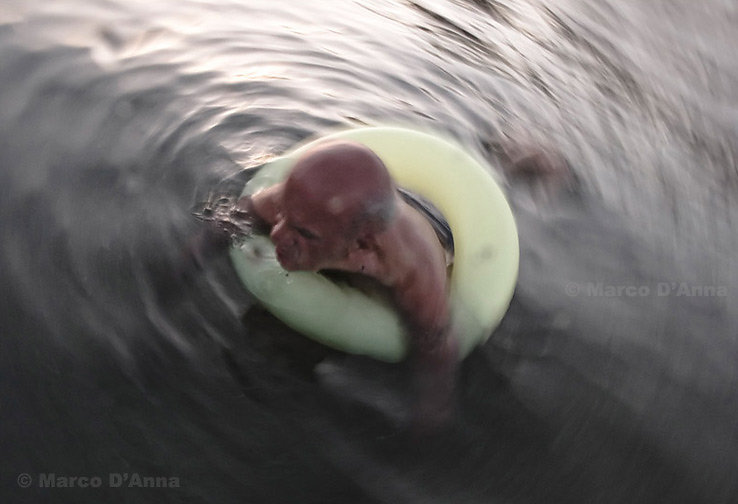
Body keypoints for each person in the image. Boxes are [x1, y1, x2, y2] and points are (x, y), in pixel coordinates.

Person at [218, 140, 459, 431]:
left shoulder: (412, 267)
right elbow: (228, 220)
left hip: (408, 221)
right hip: (347, 218)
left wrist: (424, 427)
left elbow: (436, 350)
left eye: (302, 232)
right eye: (282, 215)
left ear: (362, 246)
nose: (278, 233)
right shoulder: (302, 205)